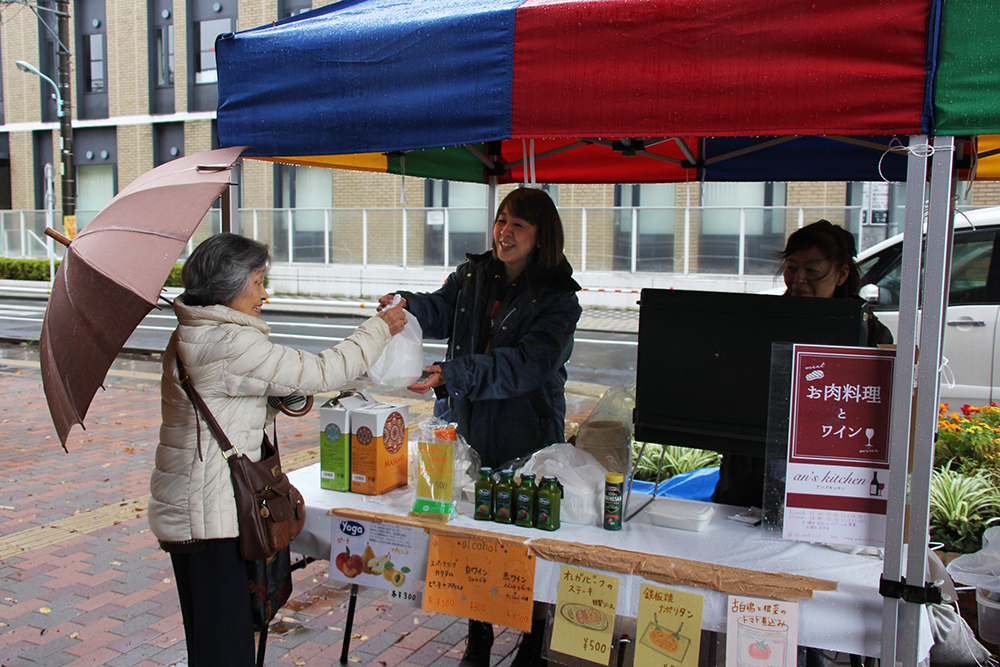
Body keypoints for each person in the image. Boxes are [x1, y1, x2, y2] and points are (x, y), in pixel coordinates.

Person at [148, 233, 406, 667]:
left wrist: (274, 397)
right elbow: (325, 371)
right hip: (212, 516)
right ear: (229, 287)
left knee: (209, 640)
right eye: (257, 281)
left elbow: (226, 404)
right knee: (226, 650)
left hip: (193, 510)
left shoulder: (193, 332)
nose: (264, 293)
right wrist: (380, 328)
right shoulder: (230, 343)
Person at [380, 187, 581, 667]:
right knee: (466, 532)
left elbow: (527, 365)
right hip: (464, 424)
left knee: (524, 538)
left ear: (541, 236)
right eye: (501, 220)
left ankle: (532, 639)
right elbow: (441, 309)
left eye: (518, 225)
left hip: (526, 432)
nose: (504, 233)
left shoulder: (558, 299)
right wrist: (404, 304)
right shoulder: (472, 275)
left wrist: (455, 373)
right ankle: (479, 637)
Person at [712, 219, 892, 507]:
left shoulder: (872, 333)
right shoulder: (762, 320)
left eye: (812, 271)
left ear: (842, 274)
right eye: (792, 268)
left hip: (827, 473)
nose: (798, 279)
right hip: (751, 471)